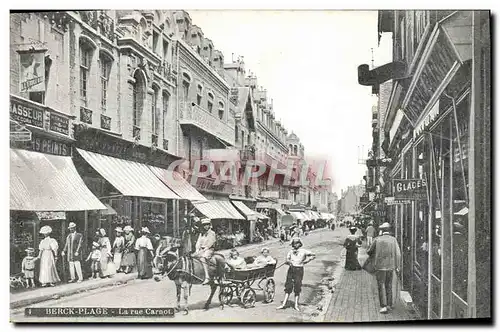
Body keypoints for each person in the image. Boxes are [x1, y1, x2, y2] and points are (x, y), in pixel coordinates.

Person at [367, 222, 401, 314]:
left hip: (379, 266)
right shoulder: (394, 240)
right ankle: (389, 304)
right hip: (391, 266)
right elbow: (398, 254)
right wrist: (398, 266)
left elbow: (369, 251)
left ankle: (383, 306)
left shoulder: (377, 239)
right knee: (389, 285)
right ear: (389, 230)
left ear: (381, 230)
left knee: (380, 285)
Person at [277, 237, 316, 311]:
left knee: (297, 286)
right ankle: (283, 304)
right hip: (291, 269)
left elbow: (313, 255)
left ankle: (296, 305)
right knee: (288, 285)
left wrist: (306, 261)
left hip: (299, 270)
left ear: (300, 244)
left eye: (297, 243)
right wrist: (289, 261)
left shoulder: (303, 251)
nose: (295, 245)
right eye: (294, 243)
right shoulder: (290, 251)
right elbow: (287, 259)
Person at [194, 218, 216, 285]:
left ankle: (207, 277)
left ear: (209, 225)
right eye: (204, 225)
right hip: (201, 249)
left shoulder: (212, 233)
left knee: (203, 258)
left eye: (207, 225)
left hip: (209, 249)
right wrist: (197, 249)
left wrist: (204, 250)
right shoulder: (202, 233)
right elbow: (198, 242)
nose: (206, 226)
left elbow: (211, 243)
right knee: (193, 257)